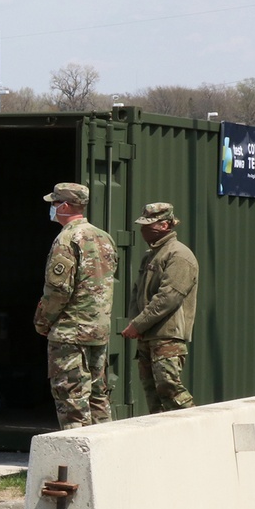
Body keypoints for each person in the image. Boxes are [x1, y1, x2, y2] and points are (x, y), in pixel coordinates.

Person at [34, 183, 118, 429]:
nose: (52, 208)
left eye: (54, 203)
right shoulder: (105, 237)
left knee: (71, 398)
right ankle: (107, 454)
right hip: (97, 331)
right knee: (97, 397)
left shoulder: (66, 239)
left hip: (70, 333)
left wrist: (42, 321)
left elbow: (58, 290)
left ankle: (76, 460)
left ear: (66, 205)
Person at [120, 203, 199, 413]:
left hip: (167, 335)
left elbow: (168, 297)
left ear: (165, 225)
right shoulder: (152, 255)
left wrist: (138, 324)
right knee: (153, 393)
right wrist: (136, 323)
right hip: (148, 335)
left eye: (149, 225)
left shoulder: (179, 255)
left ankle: (196, 428)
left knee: (169, 387)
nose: (144, 230)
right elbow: (137, 292)